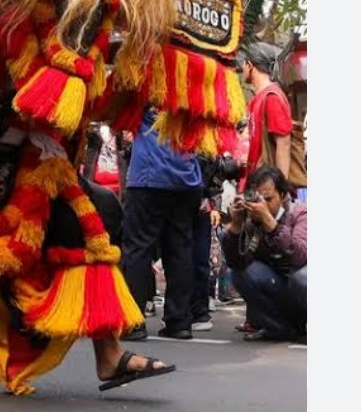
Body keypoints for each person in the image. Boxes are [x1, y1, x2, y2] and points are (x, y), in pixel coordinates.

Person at [121, 106, 203, 340]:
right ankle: (179, 322)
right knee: (180, 249)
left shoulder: (147, 85)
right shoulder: (196, 85)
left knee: (138, 249)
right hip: (185, 175)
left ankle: (134, 323)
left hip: (149, 174)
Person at [221, 165, 307, 342]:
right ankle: (279, 328)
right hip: (279, 289)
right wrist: (236, 226)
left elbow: (301, 256)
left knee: (302, 277)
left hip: (300, 289)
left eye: (268, 199)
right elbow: (236, 263)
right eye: (258, 199)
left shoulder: (300, 213)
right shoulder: (252, 220)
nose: (262, 205)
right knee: (242, 273)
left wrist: (270, 223)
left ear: (283, 195)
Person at [237, 43, 293, 189]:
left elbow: (283, 144)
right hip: (256, 182)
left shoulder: (271, 97)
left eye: (244, 63)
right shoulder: (256, 99)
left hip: (269, 187)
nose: (242, 68)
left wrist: (279, 189)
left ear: (250, 65)